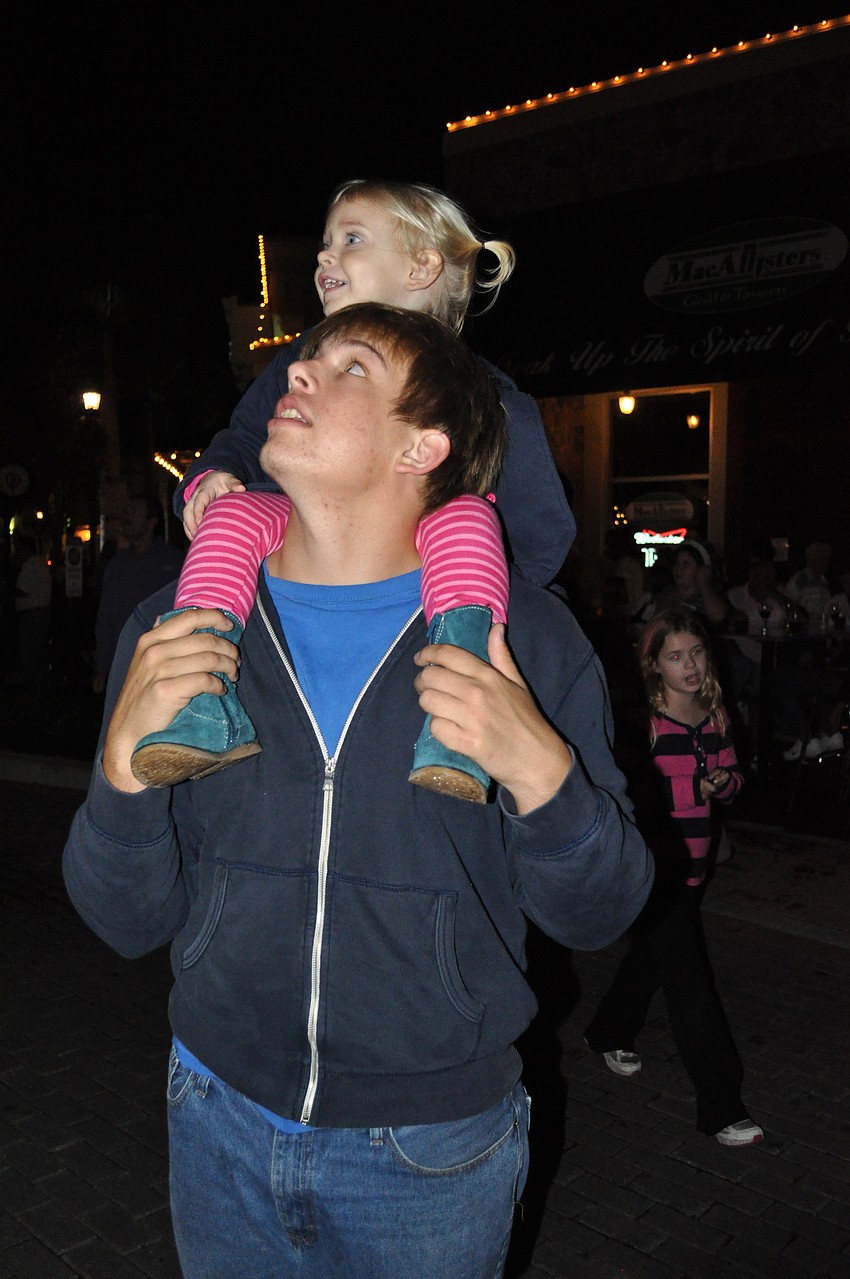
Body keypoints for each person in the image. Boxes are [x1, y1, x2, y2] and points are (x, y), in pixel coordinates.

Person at [62, 302, 653, 1279]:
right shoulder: (182, 627)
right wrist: (122, 778)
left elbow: (602, 911)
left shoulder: (526, 644)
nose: (298, 377)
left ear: (425, 443)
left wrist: (542, 774)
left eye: (350, 369)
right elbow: (125, 921)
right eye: (301, 365)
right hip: (215, 1116)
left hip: (429, 1149)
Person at [133, 178, 575, 801]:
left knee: (467, 515)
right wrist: (211, 481)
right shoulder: (298, 361)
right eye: (325, 242)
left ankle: (461, 701)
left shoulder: (489, 398)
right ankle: (200, 698)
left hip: (433, 580)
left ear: (423, 267)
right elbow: (237, 437)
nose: (324, 256)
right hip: (295, 546)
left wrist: (516, 610)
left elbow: (542, 528)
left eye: (352, 239)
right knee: (234, 516)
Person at [583, 606, 764, 1147]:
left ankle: (609, 1030)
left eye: (696, 652)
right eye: (675, 656)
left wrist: (725, 782)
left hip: (695, 863)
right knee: (691, 985)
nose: (689, 664)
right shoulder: (648, 724)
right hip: (654, 869)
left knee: (654, 958)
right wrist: (690, 792)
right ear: (655, 665)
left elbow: (734, 784)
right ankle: (722, 1106)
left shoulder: (714, 715)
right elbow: (634, 798)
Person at [92, 495, 186, 693]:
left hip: (164, 665)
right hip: (123, 664)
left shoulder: (175, 563)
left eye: (135, 512)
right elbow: (106, 618)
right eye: (126, 513)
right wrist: (102, 667)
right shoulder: (117, 566)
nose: (128, 517)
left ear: (152, 521)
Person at [13, 533, 53, 695]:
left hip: (33, 615)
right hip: (38, 613)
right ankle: (38, 686)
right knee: (37, 651)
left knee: (32, 652)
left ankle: (36, 687)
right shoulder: (39, 565)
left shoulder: (32, 566)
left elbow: (22, 590)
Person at [784, 539, 833, 635]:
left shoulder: (824, 582)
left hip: (822, 632)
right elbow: (788, 605)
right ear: (811, 559)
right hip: (804, 634)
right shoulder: (799, 581)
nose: (826, 562)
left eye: (827, 558)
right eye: (822, 558)